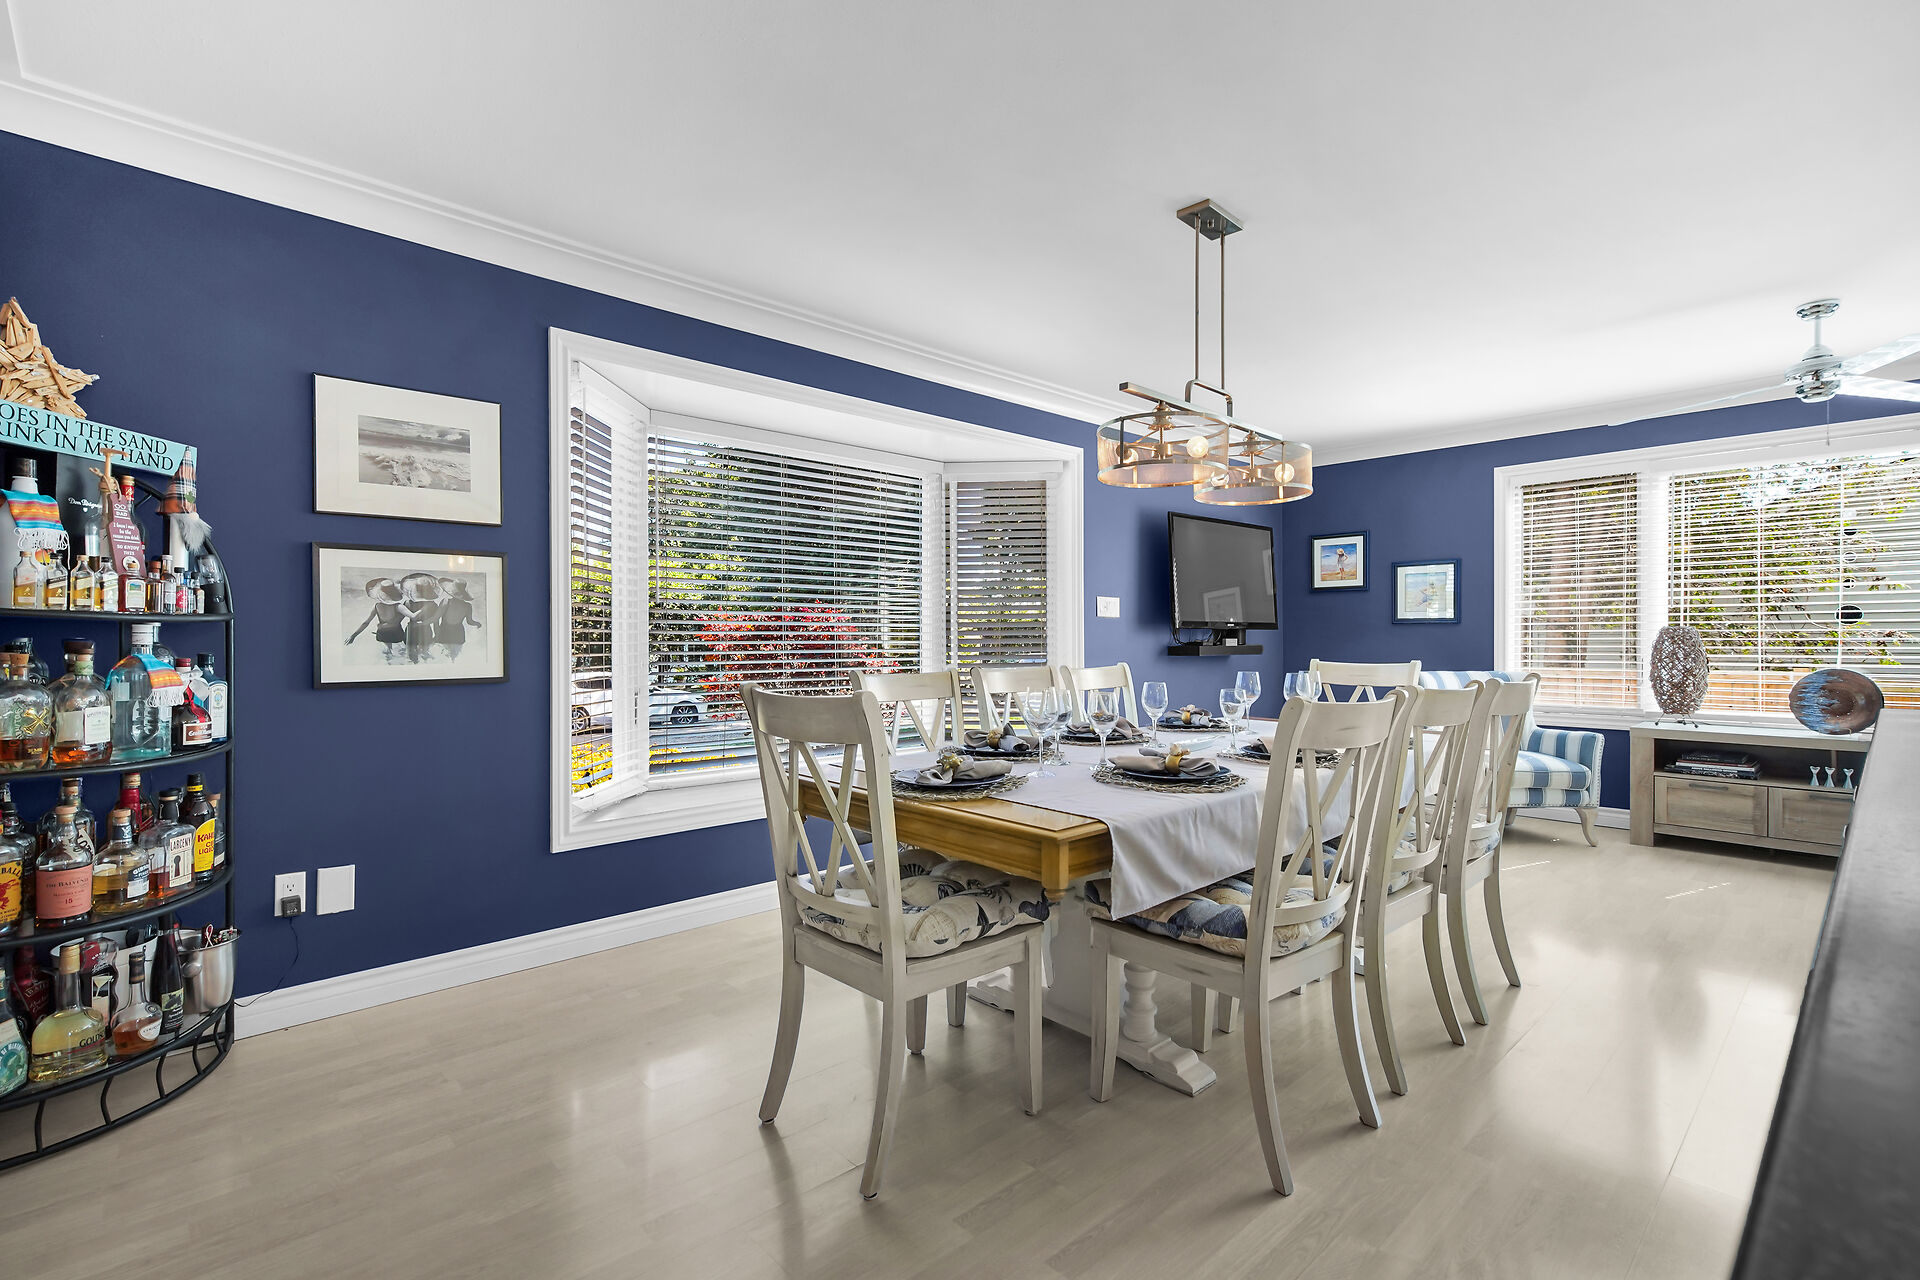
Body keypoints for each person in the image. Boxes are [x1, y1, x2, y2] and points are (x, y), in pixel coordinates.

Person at [345, 578, 407, 664]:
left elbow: (366, 622)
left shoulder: (377, 606)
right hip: (396, 634)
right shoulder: (398, 606)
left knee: (387, 656)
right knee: (400, 657)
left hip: (382, 634)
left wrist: (353, 635)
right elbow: (398, 620)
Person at [398, 572, 443, 664]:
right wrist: (437, 636)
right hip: (425, 630)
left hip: (411, 630)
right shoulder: (433, 605)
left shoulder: (407, 603)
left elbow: (398, 620)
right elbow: (435, 623)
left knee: (411, 656)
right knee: (425, 655)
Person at [433, 577, 480, 662]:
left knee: (443, 659)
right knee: (455, 659)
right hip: (458, 635)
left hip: (444, 633)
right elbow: (470, 622)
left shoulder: (446, 601)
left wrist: (436, 634)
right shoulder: (467, 606)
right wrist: (477, 624)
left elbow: (435, 619)